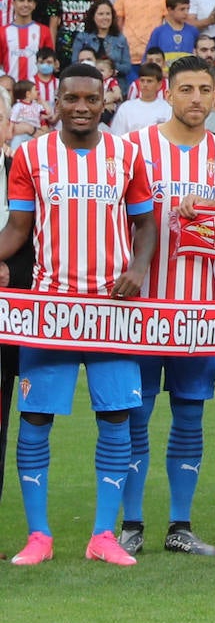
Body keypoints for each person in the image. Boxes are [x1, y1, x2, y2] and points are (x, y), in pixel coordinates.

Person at [116, 57, 215, 558]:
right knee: (134, 417)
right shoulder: (131, 150)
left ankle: (180, 527)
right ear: (167, 92)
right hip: (139, 311)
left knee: (189, 418)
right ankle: (131, 524)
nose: (193, 98)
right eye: (184, 88)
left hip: (198, 313)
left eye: (203, 90)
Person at [0, 63, 158, 567]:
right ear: (56, 103)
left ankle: (102, 536)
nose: (83, 107)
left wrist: (137, 267)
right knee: (36, 420)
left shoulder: (126, 154)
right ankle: (39, 537)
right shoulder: (30, 155)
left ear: (105, 101)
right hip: (49, 309)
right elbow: (18, 229)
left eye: (92, 99)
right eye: (73, 99)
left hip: (112, 310)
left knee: (115, 418)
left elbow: (147, 225)